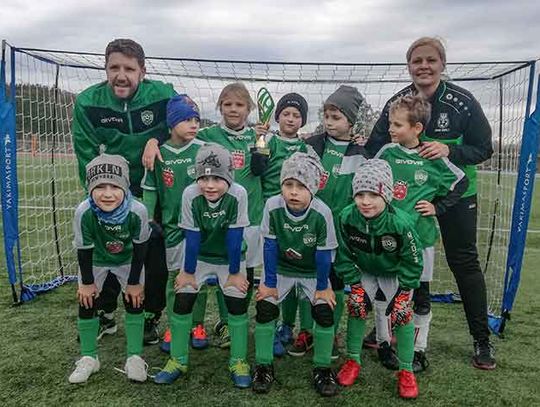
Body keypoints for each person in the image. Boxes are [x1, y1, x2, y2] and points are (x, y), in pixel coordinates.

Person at [365, 36, 496, 370]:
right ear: (408, 66)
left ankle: (481, 340)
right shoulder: (397, 102)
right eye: (416, 61)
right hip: (406, 202)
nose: (423, 66)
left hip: (454, 196)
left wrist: (449, 150)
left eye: (430, 60)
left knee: (463, 263)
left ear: (442, 64)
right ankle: (387, 329)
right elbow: (375, 146)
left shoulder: (463, 102)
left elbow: (484, 149)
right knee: (392, 261)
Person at [72, 38, 176, 345]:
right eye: (113, 67)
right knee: (108, 246)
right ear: (105, 69)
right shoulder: (88, 102)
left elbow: (184, 123)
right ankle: (104, 313)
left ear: (143, 71)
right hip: (112, 186)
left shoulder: (163, 94)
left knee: (154, 251)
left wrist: (156, 139)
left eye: (129, 68)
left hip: (154, 186)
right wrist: (99, 195)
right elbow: (86, 154)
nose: (121, 75)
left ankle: (149, 316)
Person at [375, 94, 468, 372]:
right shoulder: (386, 154)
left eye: (398, 125)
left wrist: (438, 207)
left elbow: (460, 182)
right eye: (391, 123)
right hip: (387, 238)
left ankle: (418, 350)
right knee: (384, 292)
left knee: (420, 294)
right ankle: (383, 343)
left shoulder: (432, 156)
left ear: (417, 128)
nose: (391, 129)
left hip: (421, 239)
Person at [153, 144, 251, 388]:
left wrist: (235, 272)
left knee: (237, 298)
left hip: (229, 257)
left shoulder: (238, 194)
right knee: (184, 296)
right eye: (204, 177)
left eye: (217, 178)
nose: (209, 185)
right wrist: (187, 272)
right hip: (200, 256)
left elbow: (235, 237)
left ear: (229, 176)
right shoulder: (190, 194)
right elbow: (193, 237)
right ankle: (178, 360)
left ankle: (238, 361)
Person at [335, 159, 423, 399]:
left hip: (395, 272)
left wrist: (405, 291)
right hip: (365, 270)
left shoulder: (400, 223)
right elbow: (342, 255)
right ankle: (353, 360)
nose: (365, 201)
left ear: (386, 195)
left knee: (402, 313)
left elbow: (414, 262)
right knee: (356, 306)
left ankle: (406, 370)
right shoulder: (346, 217)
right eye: (360, 194)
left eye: (373, 194)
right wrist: (355, 284)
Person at [253, 152, 338, 397]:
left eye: (301, 186)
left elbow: (323, 255)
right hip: (282, 269)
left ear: (312, 189)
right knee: (265, 306)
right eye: (288, 185)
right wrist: (268, 283)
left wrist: (323, 287)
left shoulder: (322, 212)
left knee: (323, 311)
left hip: (313, 272)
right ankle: (263, 365)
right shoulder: (272, 205)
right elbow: (269, 246)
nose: (293, 192)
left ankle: (322, 368)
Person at [69, 154, 151, 384]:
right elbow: (83, 250)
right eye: (100, 187)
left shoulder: (138, 210)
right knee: (87, 301)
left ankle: (134, 357)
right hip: (96, 259)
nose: (107, 193)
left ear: (125, 186)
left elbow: (141, 248)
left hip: (127, 259)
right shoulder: (84, 211)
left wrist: (134, 282)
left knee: (135, 300)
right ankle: (89, 357)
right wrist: (86, 283)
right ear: (89, 188)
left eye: (114, 186)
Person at [196, 82, 264, 347]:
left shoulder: (257, 136)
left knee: (242, 273)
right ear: (220, 107)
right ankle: (205, 324)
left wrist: (260, 143)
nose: (233, 109)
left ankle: (231, 321)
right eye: (227, 104)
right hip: (217, 217)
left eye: (239, 104)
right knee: (210, 270)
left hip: (250, 217)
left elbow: (262, 171)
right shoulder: (207, 135)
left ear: (248, 108)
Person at [141, 94, 210, 352]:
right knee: (174, 279)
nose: (193, 124)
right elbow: (150, 190)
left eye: (196, 120)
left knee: (198, 279)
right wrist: (148, 218)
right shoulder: (159, 153)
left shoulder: (203, 150)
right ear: (171, 124)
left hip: (201, 230)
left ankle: (197, 324)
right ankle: (175, 325)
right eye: (186, 120)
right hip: (172, 230)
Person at [305, 85, 366, 359]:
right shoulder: (314, 145)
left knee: (336, 282)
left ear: (351, 122)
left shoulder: (361, 152)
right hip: (314, 226)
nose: (329, 122)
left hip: (342, 231)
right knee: (309, 278)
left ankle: (329, 334)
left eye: (336, 117)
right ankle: (307, 331)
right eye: (327, 116)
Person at [256, 92, 314, 357]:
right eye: (286, 113)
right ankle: (278, 325)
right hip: (273, 213)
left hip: (297, 215)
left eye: (296, 115)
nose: (291, 118)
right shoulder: (269, 140)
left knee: (295, 269)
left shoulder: (306, 147)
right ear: (277, 116)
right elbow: (257, 167)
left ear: (302, 121)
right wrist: (259, 139)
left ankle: (293, 326)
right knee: (275, 270)